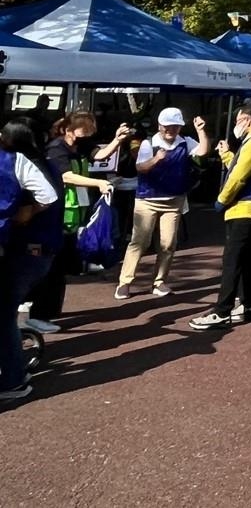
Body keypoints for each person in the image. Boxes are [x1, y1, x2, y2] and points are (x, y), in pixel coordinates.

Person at [26, 111, 129, 333]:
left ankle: (46, 312)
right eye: (82, 134)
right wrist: (97, 183)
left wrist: (117, 140)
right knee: (49, 269)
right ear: (68, 130)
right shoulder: (56, 149)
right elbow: (65, 176)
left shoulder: (79, 146)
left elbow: (99, 155)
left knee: (59, 268)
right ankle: (37, 315)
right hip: (55, 217)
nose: (85, 139)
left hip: (72, 219)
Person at [190, 101, 251, 330]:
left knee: (232, 259)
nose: (236, 125)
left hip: (244, 207)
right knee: (248, 259)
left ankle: (222, 310)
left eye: (238, 120)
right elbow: (246, 170)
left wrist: (221, 200)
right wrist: (227, 156)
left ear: (247, 120)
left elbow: (239, 176)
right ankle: (249, 304)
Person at [116, 109, 210, 299]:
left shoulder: (185, 142)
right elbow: (140, 167)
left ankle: (159, 282)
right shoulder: (148, 144)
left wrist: (201, 130)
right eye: (167, 126)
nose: (171, 130)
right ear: (160, 126)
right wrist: (156, 159)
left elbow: (203, 151)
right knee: (140, 242)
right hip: (147, 200)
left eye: (175, 126)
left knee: (168, 244)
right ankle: (124, 282)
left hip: (174, 200)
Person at [0, 117, 60, 401]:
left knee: (3, 316)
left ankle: (13, 380)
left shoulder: (17, 162)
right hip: (34, 251)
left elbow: (47, 197)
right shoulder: (40, 162)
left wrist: (27, 212)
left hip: (28, 251)